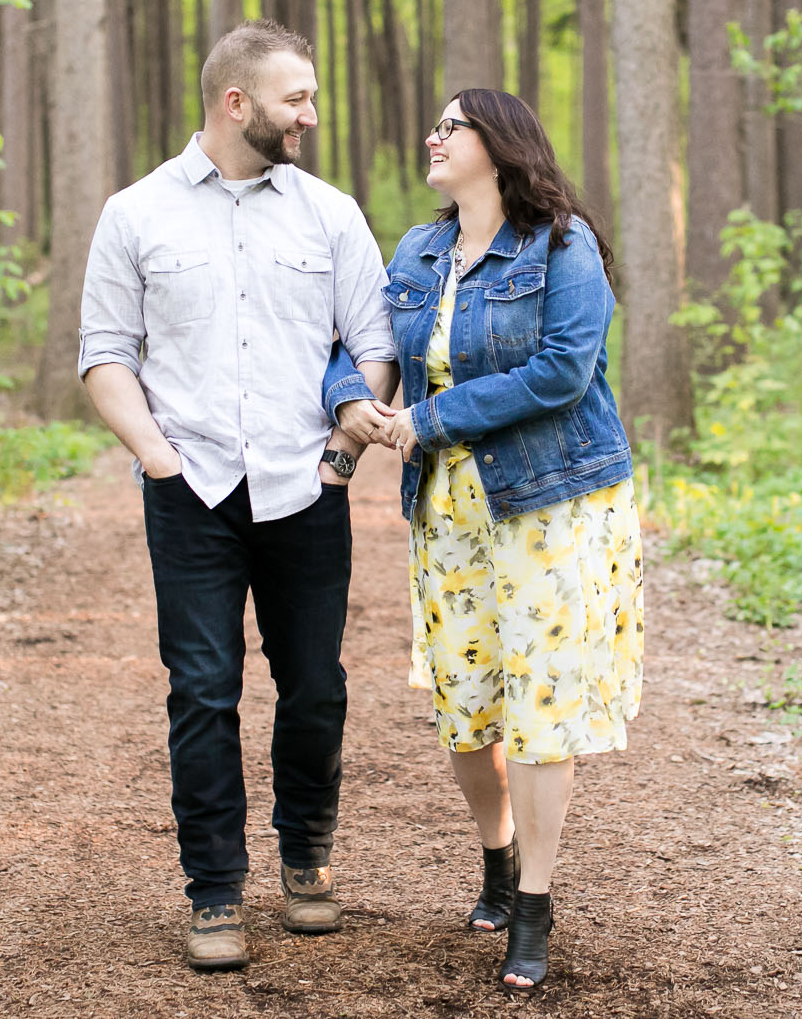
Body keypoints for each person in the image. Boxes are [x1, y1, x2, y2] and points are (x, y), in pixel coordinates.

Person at [78, 20, 397, 973]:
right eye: (295, 97)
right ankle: (213, 891)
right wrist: (157, 457)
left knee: (315, 689)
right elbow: (104, 353)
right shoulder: (135, 214)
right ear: (236, 102)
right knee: (204, 694)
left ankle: (306, 861)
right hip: (192, 492)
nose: (310, 113)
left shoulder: (331, 214)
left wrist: (341, 456)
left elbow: (373, 343)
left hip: (308, 487)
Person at [326, 89, 643, 995]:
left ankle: (535, 905)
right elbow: (362, 340)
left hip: (550, 502)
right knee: (467, 706)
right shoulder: (419, 250)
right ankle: (497, 859)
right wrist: (352, 402)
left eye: (451, 126)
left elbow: (562, 371)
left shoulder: (564, 246)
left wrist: (430, 418)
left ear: (498, 147)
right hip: (448, 507)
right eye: (433, 122)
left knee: (541, 706)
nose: (433, 135)